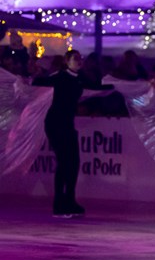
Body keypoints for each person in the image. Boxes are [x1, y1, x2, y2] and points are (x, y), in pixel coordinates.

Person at [33, 50, 114, 217]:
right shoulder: (60, 77)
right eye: (75, 58)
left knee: (74, 162)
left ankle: (69, 200)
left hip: (67, 125)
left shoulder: (80, 78)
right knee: (64, 162)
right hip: (55, 124)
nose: (79, 61)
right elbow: (38, 82)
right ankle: (58, 204)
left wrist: (122, 86)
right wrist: (24, 80)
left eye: (80, 58)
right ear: (66, 61)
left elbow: (97, 88)